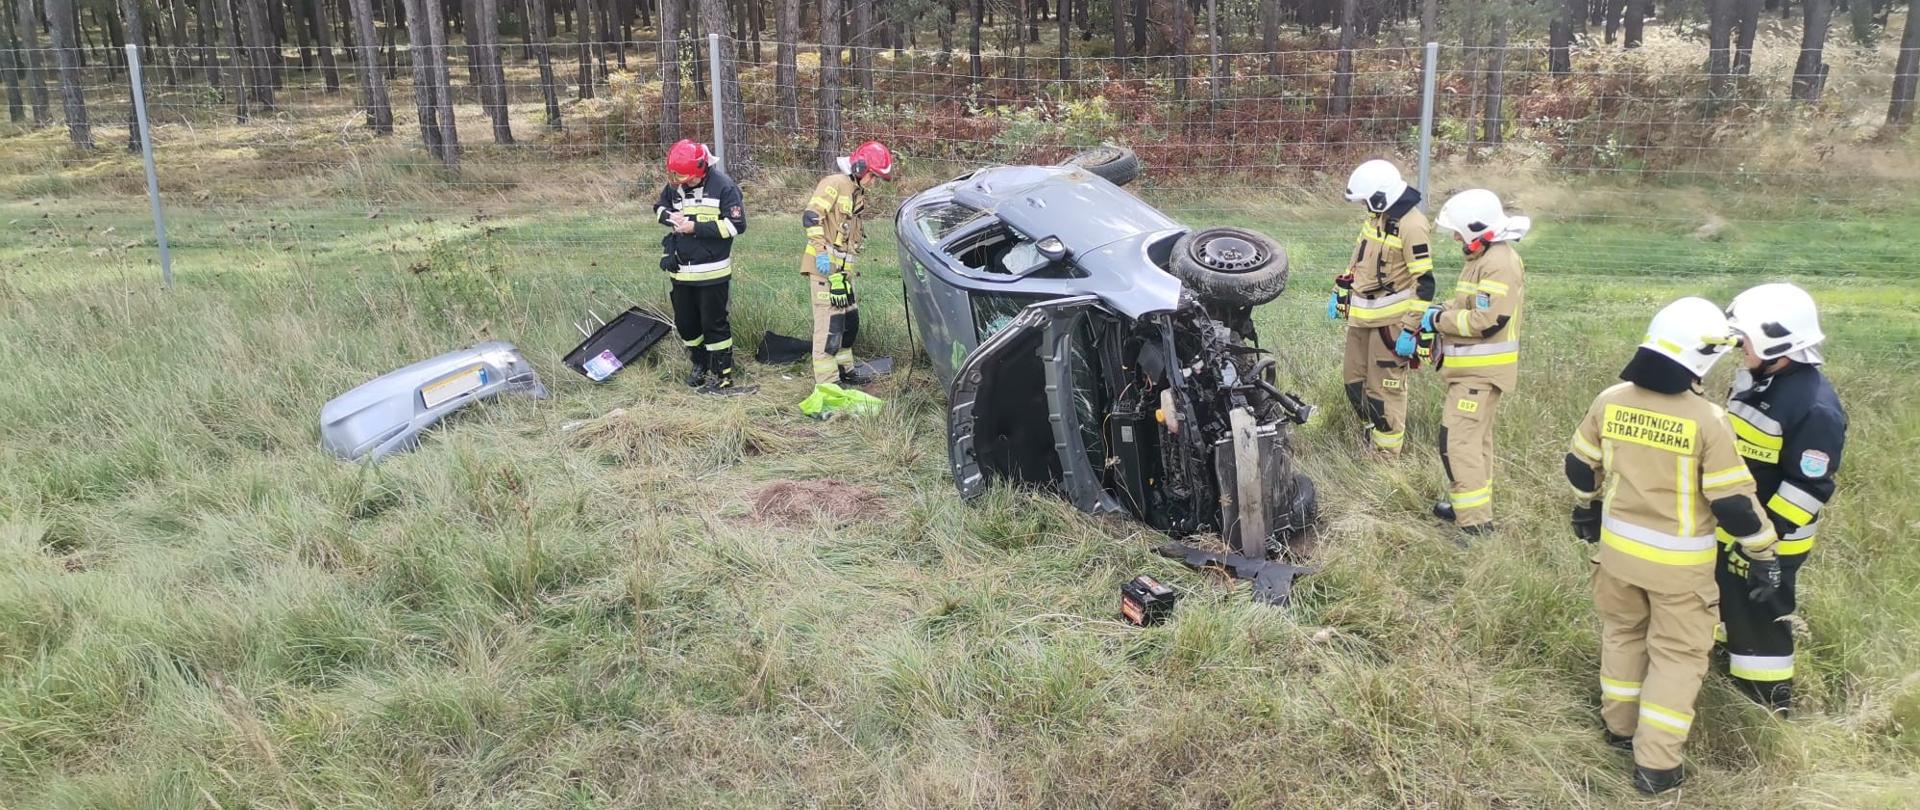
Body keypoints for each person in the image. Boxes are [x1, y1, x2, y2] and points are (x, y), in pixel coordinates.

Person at [1565, 297, 1779, 795]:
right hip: (1679, 572)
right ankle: (1656, 766)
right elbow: (1735, 508)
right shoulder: (1707, 419)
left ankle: (1618, 729)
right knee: (1677, 657)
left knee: (1622, 636)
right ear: (1701, 358)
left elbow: (1579, 467)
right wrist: (1764, 554)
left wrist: (1584, 508)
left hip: (1616, 557)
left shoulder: (1610, 399)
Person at [1718, 282, 1847, 715]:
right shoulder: (1758, 381)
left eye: (1746, 337)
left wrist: (1763, 550)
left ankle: (1765, 712)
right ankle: (1724, 677)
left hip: (1773, 543)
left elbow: (1807, 489)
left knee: (1761, 625)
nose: (1739, 344)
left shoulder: (1814, 408)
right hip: (1737, 533)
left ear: (1779, 342)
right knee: (1727, 610)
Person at [1421, 189, 1528, 535]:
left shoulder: (1499, 263)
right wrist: (1443, 309)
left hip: (1480, 374)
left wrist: (1438, 322)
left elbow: (1486, 321)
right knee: (1474, 442)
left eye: (1458, 231)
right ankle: (1472, 507)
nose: (1454, 238)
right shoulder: (1482, 260)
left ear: (1476, 229)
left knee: (1457, 442)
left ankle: (1475, 525)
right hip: (1472, 372)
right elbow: (1469, 304)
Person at [1331, 159, 1435, 457]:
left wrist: (1411, 328)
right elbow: (1360, 256)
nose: (1364, 205)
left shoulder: (1412, 225)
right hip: (1362, 317)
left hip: (1392, 324)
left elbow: (1425, 283)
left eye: (1366, 199)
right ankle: (1370, 435)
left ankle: (1386, 459)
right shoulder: (1377, 217)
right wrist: (1342, 287)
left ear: (1381, 196)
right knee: (1354, 383)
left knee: (1383, 393)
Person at [655, 139, 748, 392]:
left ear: (702, 169)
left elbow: (736, 226)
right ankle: (699, 364)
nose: (684, 184)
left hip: (713, 272)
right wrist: (669, 217)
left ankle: (723, 373)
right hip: (681, 272)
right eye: (680, 180)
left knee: (714, 324)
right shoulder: (676, 184)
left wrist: (696, 227)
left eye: (689, 180)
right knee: (686, 324)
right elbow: (659, 207)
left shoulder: (724, 187)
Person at [801, 140, 895, 389]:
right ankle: (828, 384)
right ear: (861, 167)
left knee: (848, 323)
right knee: (829, 328)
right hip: (824, 269)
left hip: (842, 273)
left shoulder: (855, 191)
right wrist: (821, 253)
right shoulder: (834, 184)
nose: (873, 183)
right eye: (873, 177)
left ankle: (846, 371)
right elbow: (811, 217)